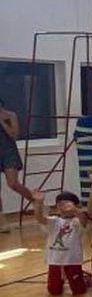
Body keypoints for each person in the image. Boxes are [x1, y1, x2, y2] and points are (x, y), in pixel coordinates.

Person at [33, 190, 87, 296]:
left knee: (78, 291)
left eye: (67, 204)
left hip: (72, 261)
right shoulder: (54, 221)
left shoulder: (76, 221)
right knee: (53, 291)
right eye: (60, 204)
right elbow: (40, 218)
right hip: (55, 261)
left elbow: (84, 221)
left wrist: (75, 210)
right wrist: (39, 202)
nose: (63, 207)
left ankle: (86, 280)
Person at [0, 99, 35, 232]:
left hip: (8, 150)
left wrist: (2, 122)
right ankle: (2, 222)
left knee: (13, 183)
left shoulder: (10, 115)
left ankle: (36, 201)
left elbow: (14, 135)